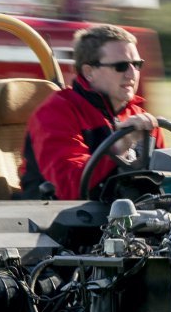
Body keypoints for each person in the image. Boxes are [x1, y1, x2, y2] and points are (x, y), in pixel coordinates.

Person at [19, 24, 163, 200]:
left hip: (123, 216)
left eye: (137, 64)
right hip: (54, 218)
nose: (132, 74)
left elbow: (166, 177)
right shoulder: (55, 113)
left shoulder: (139, 117)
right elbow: (68, 188)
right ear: (89, 72)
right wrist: (118, 148)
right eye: (121, 66)